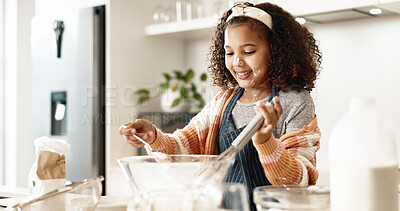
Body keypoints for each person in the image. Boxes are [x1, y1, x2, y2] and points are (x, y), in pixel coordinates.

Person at [120, 2, 322, 210]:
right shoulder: (222, 103)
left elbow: (300, 182)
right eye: (230, 53)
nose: (237, 62)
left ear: (276, 51)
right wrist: (153, 137)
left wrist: (265, 141)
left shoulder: (295, 101)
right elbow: (182, 150)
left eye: (249, 51)